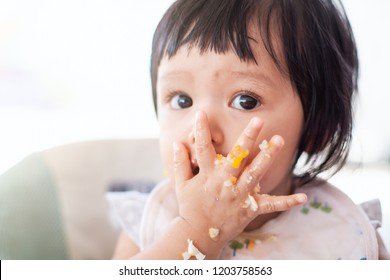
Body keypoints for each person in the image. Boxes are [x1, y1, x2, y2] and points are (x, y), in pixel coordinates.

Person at [111, 0, 389, 259]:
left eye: (246, 101)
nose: (202, 132)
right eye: (182, 100)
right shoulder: (146, 224)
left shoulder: (344, 231)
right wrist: (195, 230)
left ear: (317, 130)